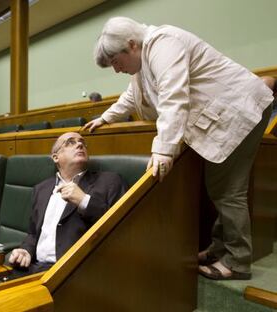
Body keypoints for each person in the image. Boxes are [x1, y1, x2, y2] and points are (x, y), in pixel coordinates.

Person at [83, 17, 274, 280]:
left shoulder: (164, 43)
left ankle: (238, 261)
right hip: (230, 114)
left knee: (229, 191)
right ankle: (221, 249)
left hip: (243, 110)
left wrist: (163, 149)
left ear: (131, 45)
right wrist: (106, 118)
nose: (116, 70)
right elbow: (131, 96)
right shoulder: (144, 58)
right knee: (221, 188)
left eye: (116, 62)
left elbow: (174, 97)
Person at [8, 132, 127, 274]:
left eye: (82, 142)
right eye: (70, 142)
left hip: (75, 273)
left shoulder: (110, 181)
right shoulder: (41, 188)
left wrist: (84, 201)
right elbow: (33, 233)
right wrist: (26, 250)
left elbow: (122, 232)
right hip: (33, 268)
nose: (79, 144)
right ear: (55, 157)